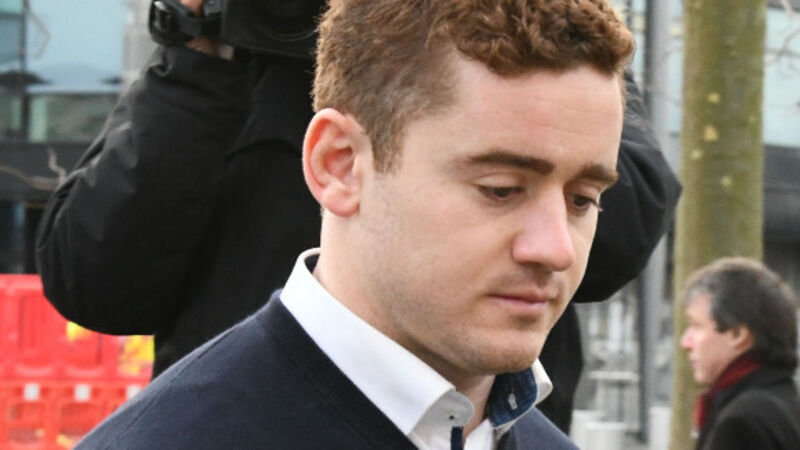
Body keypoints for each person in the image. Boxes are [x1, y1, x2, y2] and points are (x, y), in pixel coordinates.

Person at [36, 0, 679, 434]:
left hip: (492, 419)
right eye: (500, 188)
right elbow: (96, 282)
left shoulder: (507, 47)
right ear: (335, 162)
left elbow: (619, 238)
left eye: (579, 199)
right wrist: (195, 42)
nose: (551, 245)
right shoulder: (217, 61)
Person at [680, 257, 800, 450]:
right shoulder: (785, 405)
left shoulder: (742, 423)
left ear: (737, 335)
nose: (685, 342)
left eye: (697, 326)